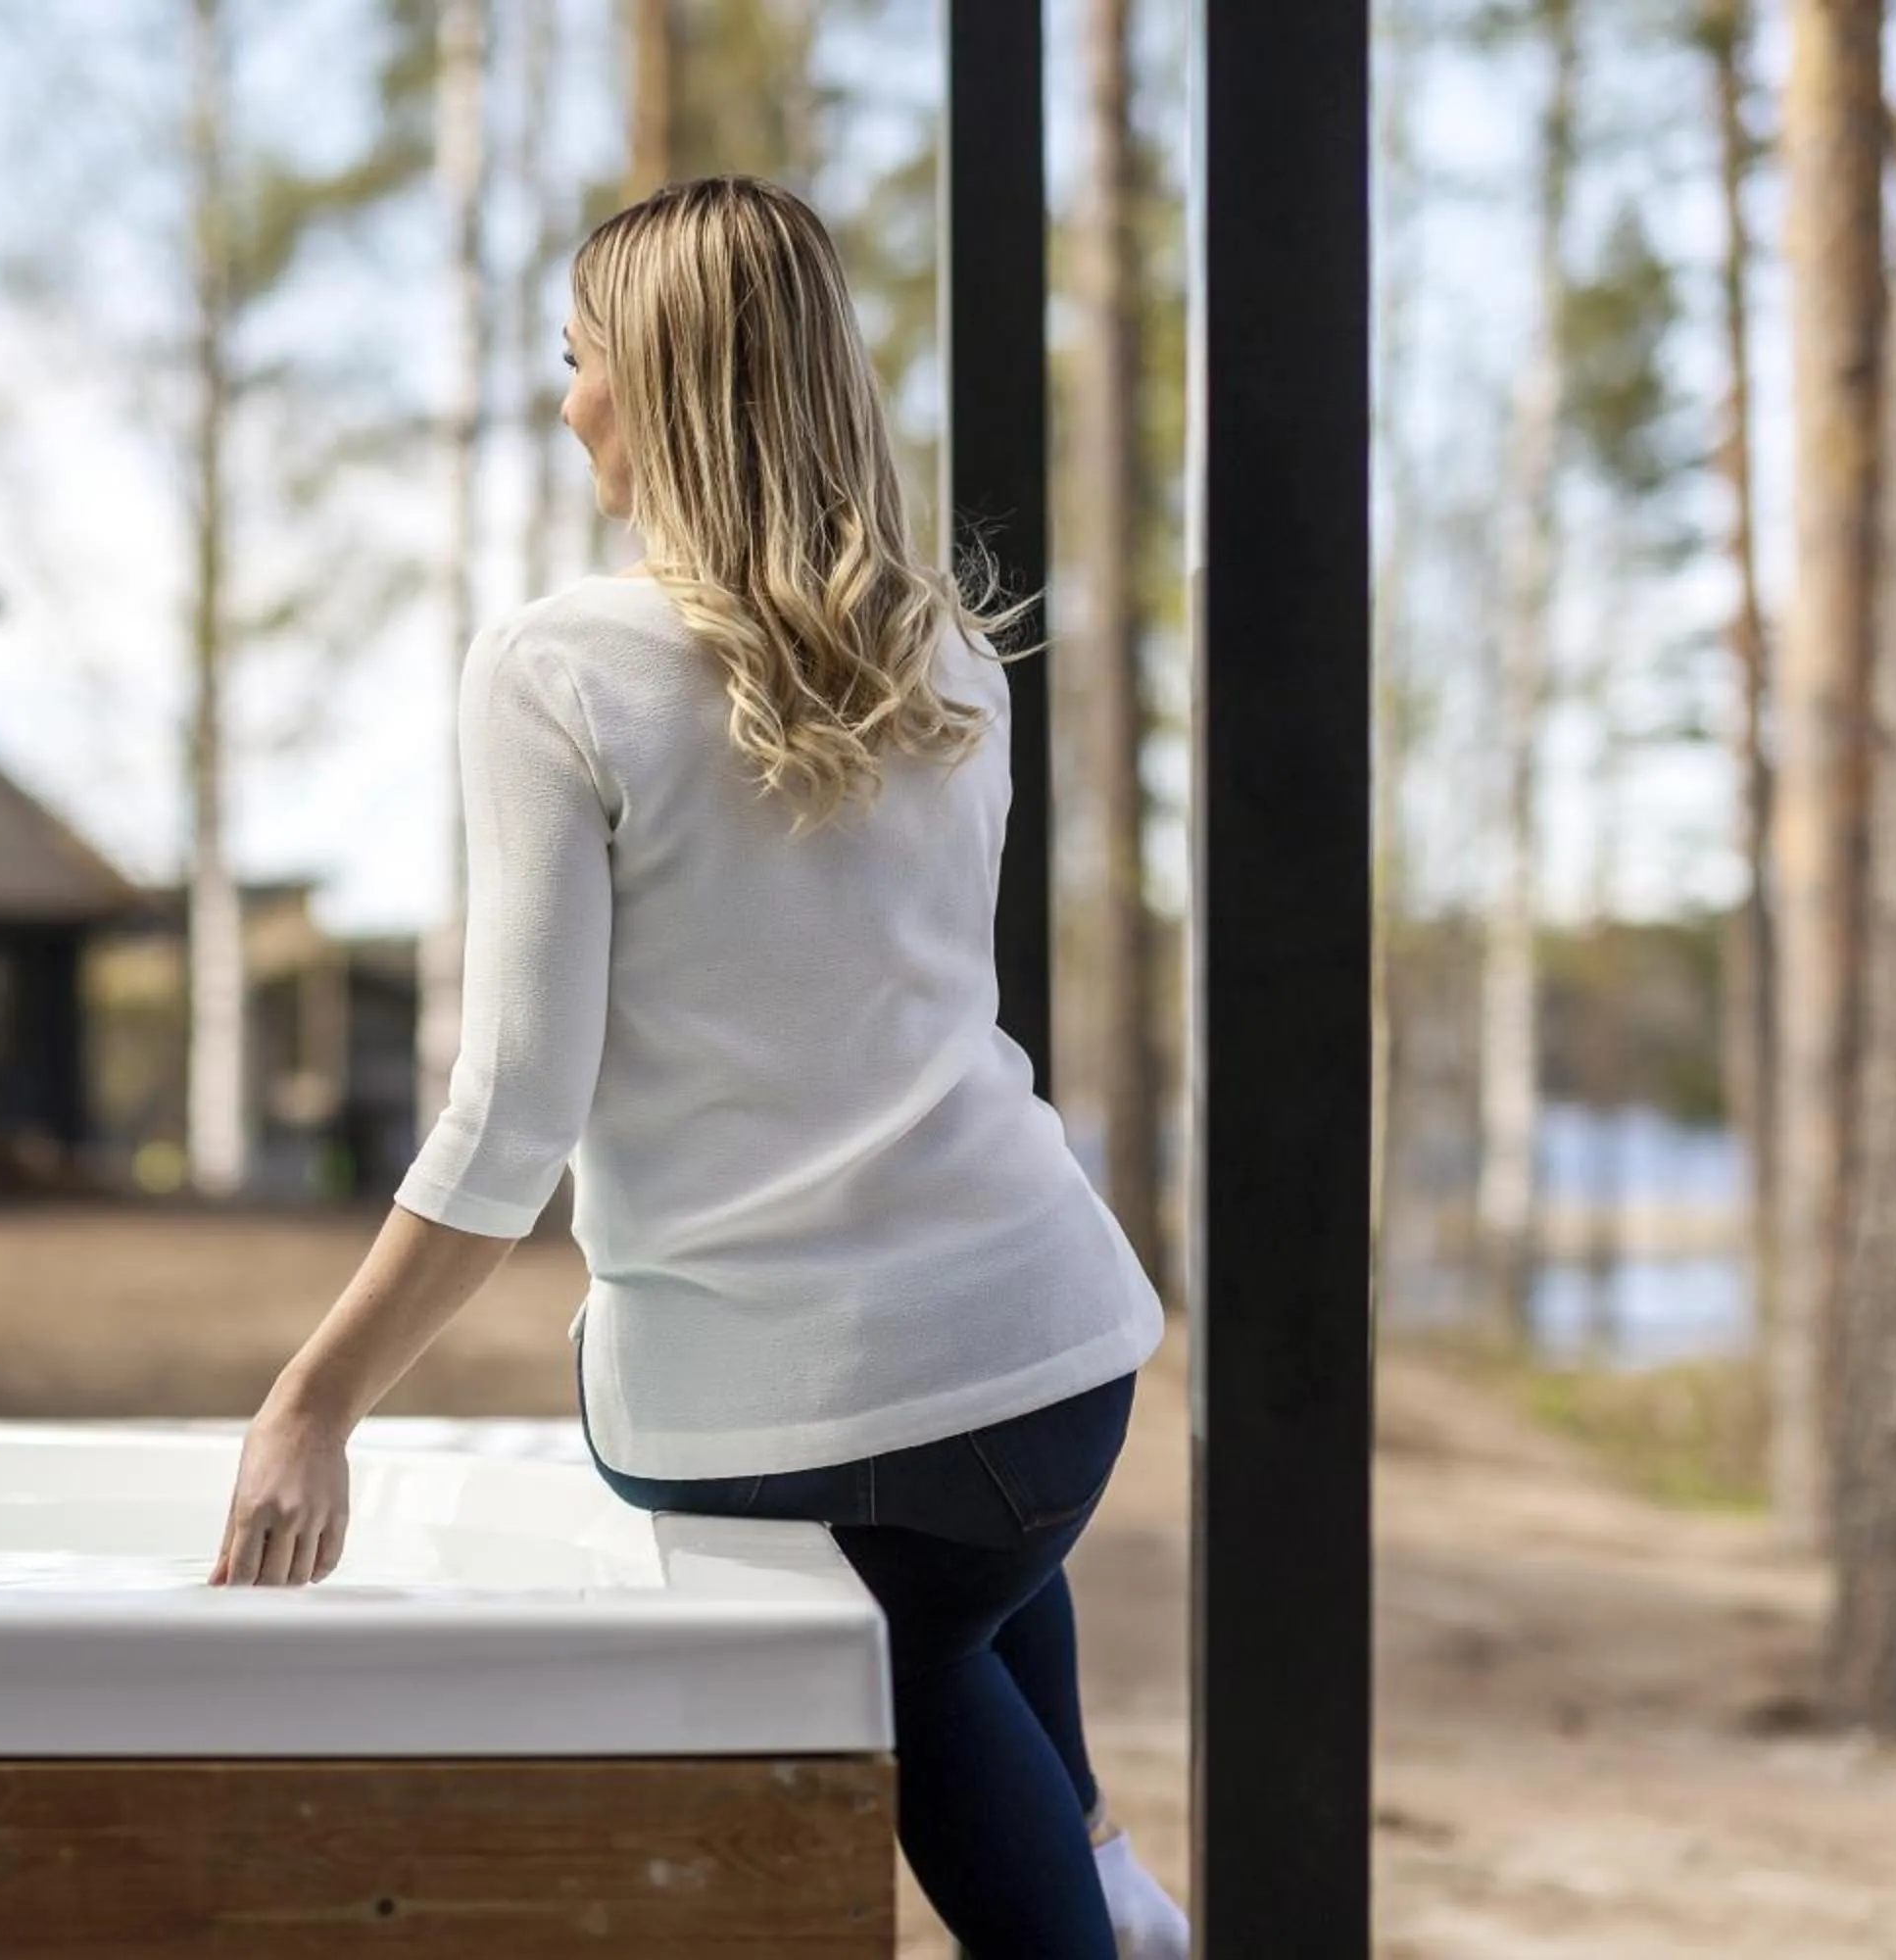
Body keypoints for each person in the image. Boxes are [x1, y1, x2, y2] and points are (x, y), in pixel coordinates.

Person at [211, 174, 1189, 1958]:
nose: (566, 400)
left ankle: (1093, 1918)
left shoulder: (555, 670)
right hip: (1058, 1357)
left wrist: (313, 1407)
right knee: (965, 1571)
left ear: (662, 383)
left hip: (805, 1419)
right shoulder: (951, 654)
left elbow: (514, 1116)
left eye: (579, 359)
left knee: (914, 1656)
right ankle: (1114, 1876)